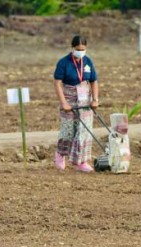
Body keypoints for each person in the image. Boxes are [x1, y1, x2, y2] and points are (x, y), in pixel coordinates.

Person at [53, 35, 99, 172]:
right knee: (68, 130)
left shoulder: (88, 61)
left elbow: (94, 81)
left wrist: (95, 99)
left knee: (83, 131)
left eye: (83, 49)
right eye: (78, 49)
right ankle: (60, 154)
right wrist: (63, 103)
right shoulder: (64, 62)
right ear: (72, 48)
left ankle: (81, 161)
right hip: (69, 97)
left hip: (84, 99)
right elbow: (57, 83)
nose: (81, 51)